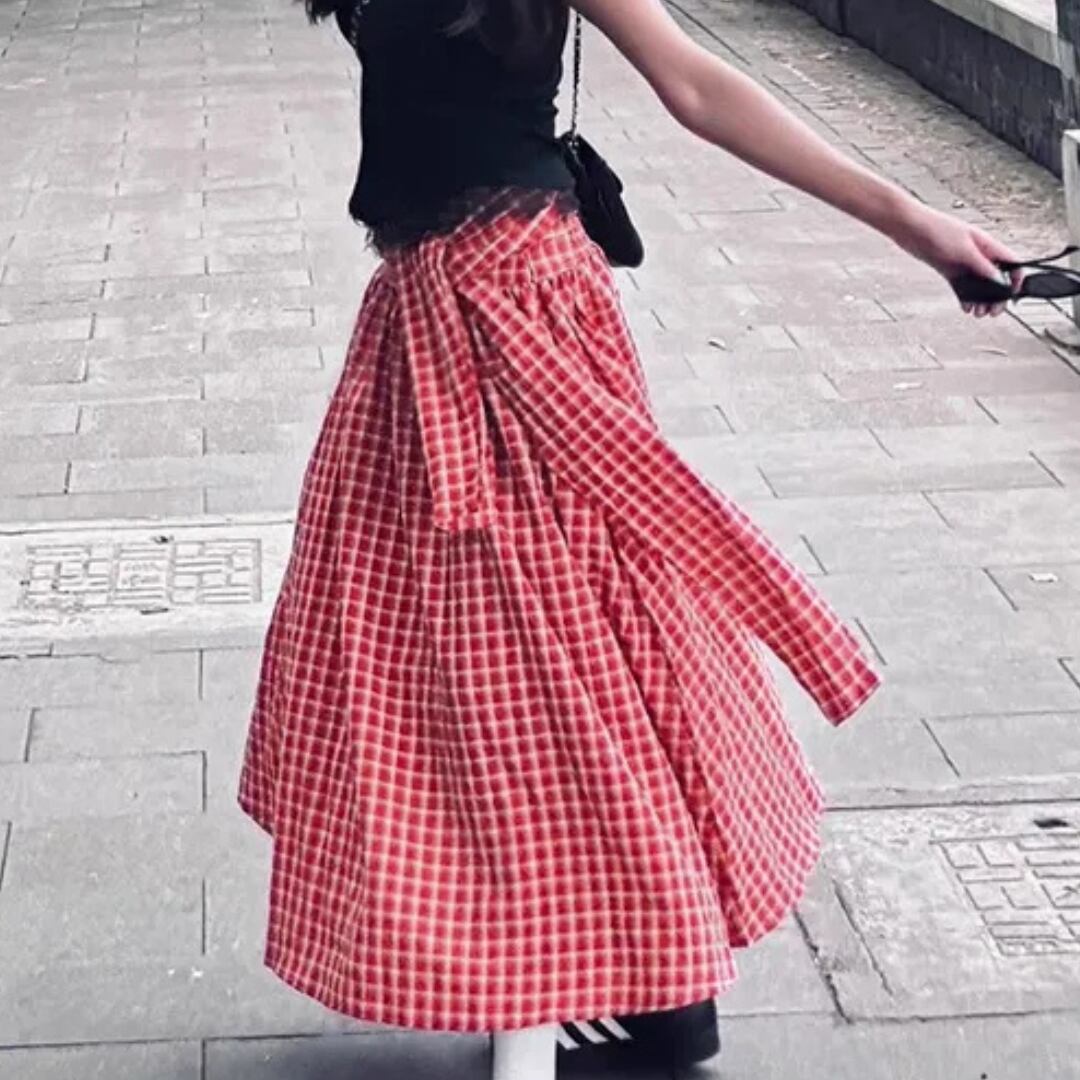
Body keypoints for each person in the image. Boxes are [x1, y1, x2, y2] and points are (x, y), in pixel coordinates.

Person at [237, 1, 1021, 1078]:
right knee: (491, 641)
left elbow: (695, 84)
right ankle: (642, 986)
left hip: (521, 309)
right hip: (424, 320)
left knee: (535, 644)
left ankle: (598, 989)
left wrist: (915, 224)